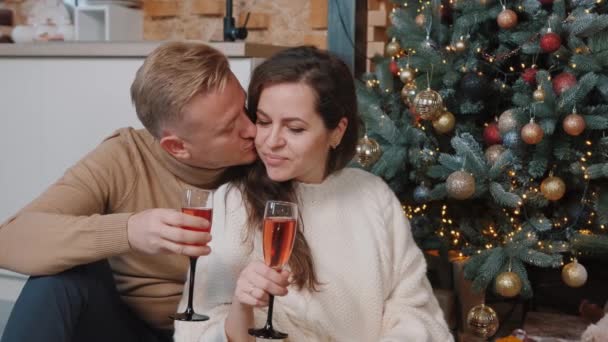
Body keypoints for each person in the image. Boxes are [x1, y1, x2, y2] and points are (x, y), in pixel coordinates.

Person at [174, 46, 453, 341]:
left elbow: (415, 311)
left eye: (294, 129)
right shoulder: (232, 203)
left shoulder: (372, 195)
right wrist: (240, 309)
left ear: (336, 131)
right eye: (263, 121)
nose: (271, 141)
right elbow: (196, 333)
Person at [0, 41, 257, 342]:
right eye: (228, 128)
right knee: (60, 276)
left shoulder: (268, 151)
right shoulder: (125, 157)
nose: (251, 129)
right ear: (177, 147)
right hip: (132, 329)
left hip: (223, 332)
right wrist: (129, 230)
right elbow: (10, 239)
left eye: (243, 107)